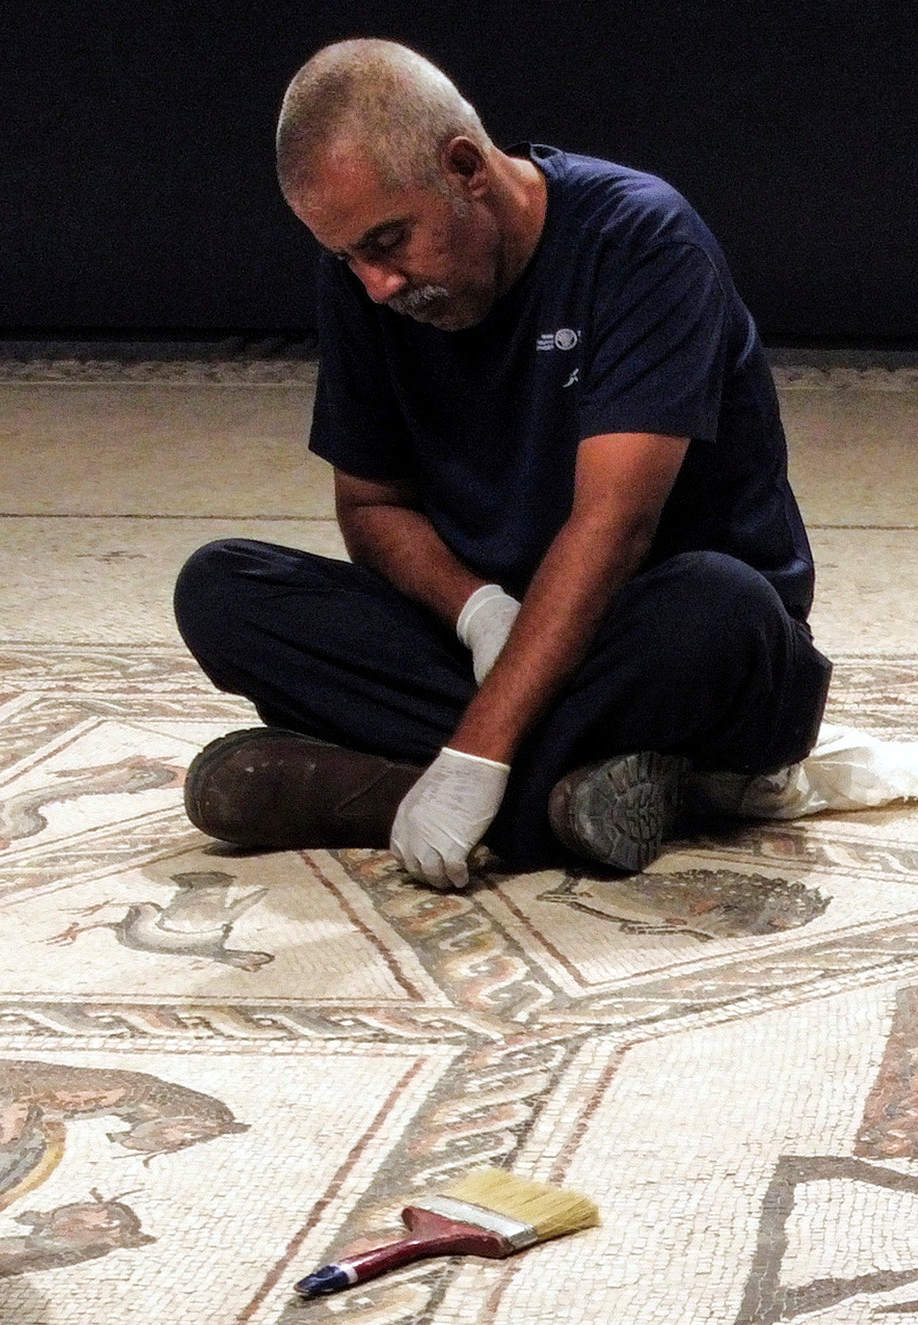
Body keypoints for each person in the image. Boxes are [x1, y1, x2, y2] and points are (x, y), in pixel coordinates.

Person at [173, 39, 828, 888]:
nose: (376, 282)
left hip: (648, 630)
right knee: (223, 589)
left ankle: (384, 792)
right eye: (349, 258)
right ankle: (573, 796)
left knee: (721, 609)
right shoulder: (368, 281)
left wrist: (477, 757)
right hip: (495, 642)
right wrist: (481, 612)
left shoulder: (640, 238)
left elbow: (613, 527)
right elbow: (372, 506)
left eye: (388, 241)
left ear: (465, 167)